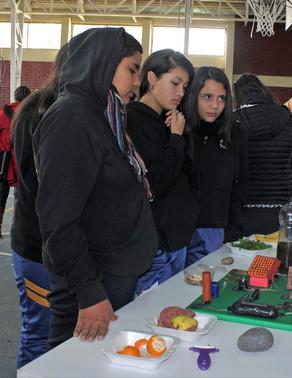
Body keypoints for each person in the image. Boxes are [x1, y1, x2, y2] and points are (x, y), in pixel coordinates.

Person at [33, 28, 158, 348]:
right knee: (75, 365)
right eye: (131, 70)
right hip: (93, 285)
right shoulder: (72, 118)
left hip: (111, 275)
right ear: (102, 62)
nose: (136, 83)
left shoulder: (104, 114)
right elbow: (58, 221)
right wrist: (90, 294)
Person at [9, 47, 67, 368]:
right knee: (38, 333)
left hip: (53, 246)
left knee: (57, 334)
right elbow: (42, 186)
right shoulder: (41, 111)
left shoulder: (47, 108)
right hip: (38, 248)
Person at [126, 49, 200, 293]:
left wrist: (179, 135)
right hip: (156, 244)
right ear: (152, 78)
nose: (181, 92)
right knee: (151, 321)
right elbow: (156, 182)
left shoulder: (169, 121)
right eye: (175, 83)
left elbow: (185, 173)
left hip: (176, 239)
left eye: (185, 86)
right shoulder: (133, 121)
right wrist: (176, 138)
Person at [184, 66, 248, 265]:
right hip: (177, 232)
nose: (215, 105)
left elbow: (241, 183)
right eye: (207, 97)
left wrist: (233, 229)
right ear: (193, 95)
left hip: (215, 229)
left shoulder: (235, 132)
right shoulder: (178, 129)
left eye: (221, 98)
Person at [234, 73, 292, 235]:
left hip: (246, 205)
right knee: (282, 255)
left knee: (245, 256)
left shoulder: (235, 120)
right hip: (285, 204)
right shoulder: (286, 116)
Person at [0, 85, 31, 237]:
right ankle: (18, 229)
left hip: (3, 163)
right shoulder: (30, 113)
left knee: (1, 197)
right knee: (21, 198)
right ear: (28, 97)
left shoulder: (3, 112)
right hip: (21, 161)